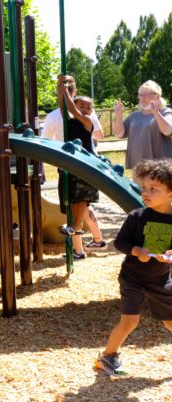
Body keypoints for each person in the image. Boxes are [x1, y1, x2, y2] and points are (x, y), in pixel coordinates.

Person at [95, 159, 172, 376]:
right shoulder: (137, 216)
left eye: (153, 189)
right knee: (129, 321)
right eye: (144, 188)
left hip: (160, 280)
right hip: (132, 278)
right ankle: (108, 356)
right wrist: (137, 251)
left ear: (170, 194)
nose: (145, 193)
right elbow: (120, 243)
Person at [44, 75, 107, 253]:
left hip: (86, 163)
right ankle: (76, 228)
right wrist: (60, 88)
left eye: (89, 107)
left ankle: (77, 224)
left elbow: (70, 106)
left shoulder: (87, 123)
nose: (86, 109)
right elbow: (66, 107)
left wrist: (65, 88)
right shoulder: (69, 120)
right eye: (82, 106)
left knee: (83, 198)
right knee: (74, 199)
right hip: (73, 164)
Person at [113, 80, 172, 175]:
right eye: (140, 95)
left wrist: (156, 113)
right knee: (139, 190)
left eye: (146, 94)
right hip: (138, 166)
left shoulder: (165, 112)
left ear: (157, 96)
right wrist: (118, 114)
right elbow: (118, 134)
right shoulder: (134, 115)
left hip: (160, 167)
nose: (142, 98)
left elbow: (168, 130)